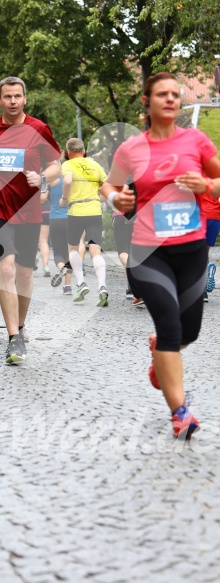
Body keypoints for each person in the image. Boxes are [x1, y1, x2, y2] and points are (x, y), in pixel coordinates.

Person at [102, 71, 220, 438]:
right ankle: (180, 413)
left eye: (175, 94)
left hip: (191, 249)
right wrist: (114, 199)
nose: (170, 99)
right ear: (146, 102)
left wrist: (207, 185)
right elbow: (111, 183)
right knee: (169, 327)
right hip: (149, 251)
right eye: (162, 94)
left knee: (190, 332)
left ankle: (161, 353)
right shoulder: (131, 148)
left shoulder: (197, 141)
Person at [0, 76, 61, 364]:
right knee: (5, 269)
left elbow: (56, 165)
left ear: (25, 99)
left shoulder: (38, 129)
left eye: (18, 96)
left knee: (25, 275)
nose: (13, 101)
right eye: (7, 97)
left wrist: (42, 177)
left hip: (28, 210)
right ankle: (13, 337)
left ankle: (20, 323)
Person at [60, 138, 109, 306]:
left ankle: (81, 284)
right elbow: (108, 185)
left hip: (76, 211)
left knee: (73, 248)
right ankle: (102, 286)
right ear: (84, 150)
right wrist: (100, 198)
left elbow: (67, 181)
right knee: (95, 251)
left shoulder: (68, 165)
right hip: (94, 211)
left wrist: (64, 198)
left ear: (68, 152)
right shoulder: (95, 165)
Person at [49, 176, 73, 294]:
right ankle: (67, 287)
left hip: (55, 219)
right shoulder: (71, 180)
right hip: (70, 219)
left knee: (58, 252)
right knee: (70, 253)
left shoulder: (51, 180)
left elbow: (42, 198)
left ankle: (61, 268)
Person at [200, 190, 220, 301]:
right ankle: (202, 290)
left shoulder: (192, 174)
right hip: (215, 216)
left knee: (193, 252)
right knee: (204, 253)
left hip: (199, 215)